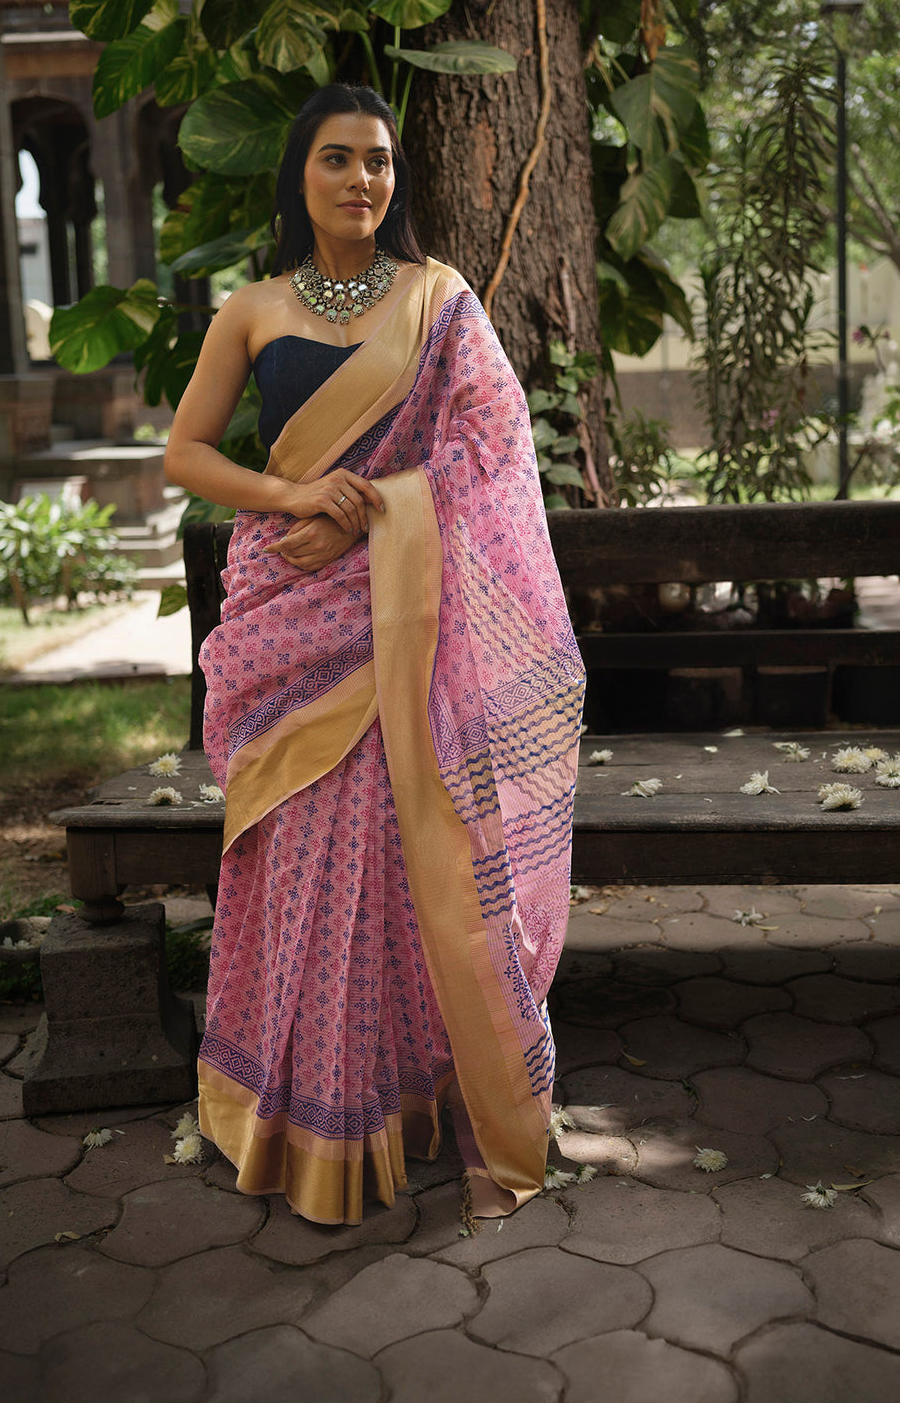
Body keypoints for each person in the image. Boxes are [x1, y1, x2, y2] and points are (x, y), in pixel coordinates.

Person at [162, 82, 585, 1229]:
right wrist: (297, 494)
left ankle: (417, 1103)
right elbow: (187, 452)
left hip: (399, 619)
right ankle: (297, 1115)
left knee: (407, 870)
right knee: (304, 863)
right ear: (299, 175)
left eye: (381, 161)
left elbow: (491, 450)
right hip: (289, 614)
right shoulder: (251, 309)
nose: (362, 179)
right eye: (339, 159)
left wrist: (365, 513)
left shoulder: (438, 299)